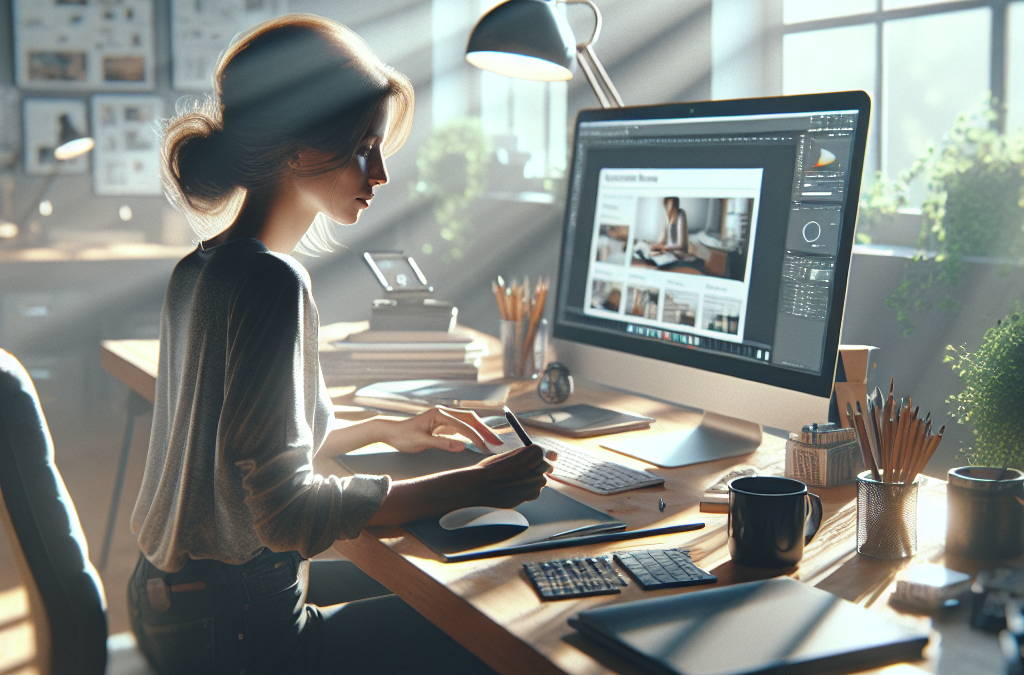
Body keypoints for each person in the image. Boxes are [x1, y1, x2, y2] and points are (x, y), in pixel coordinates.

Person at [127, 14, 548, 675]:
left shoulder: (204, 267)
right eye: (363, 147)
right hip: (240, 629)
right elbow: (285, 513)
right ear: (298, 149)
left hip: (176, 604)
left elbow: (241, 450)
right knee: (492, 626)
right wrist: (475, 484)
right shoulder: (272, 282)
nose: (378, 173)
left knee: (443, 599)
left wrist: (387, 427)